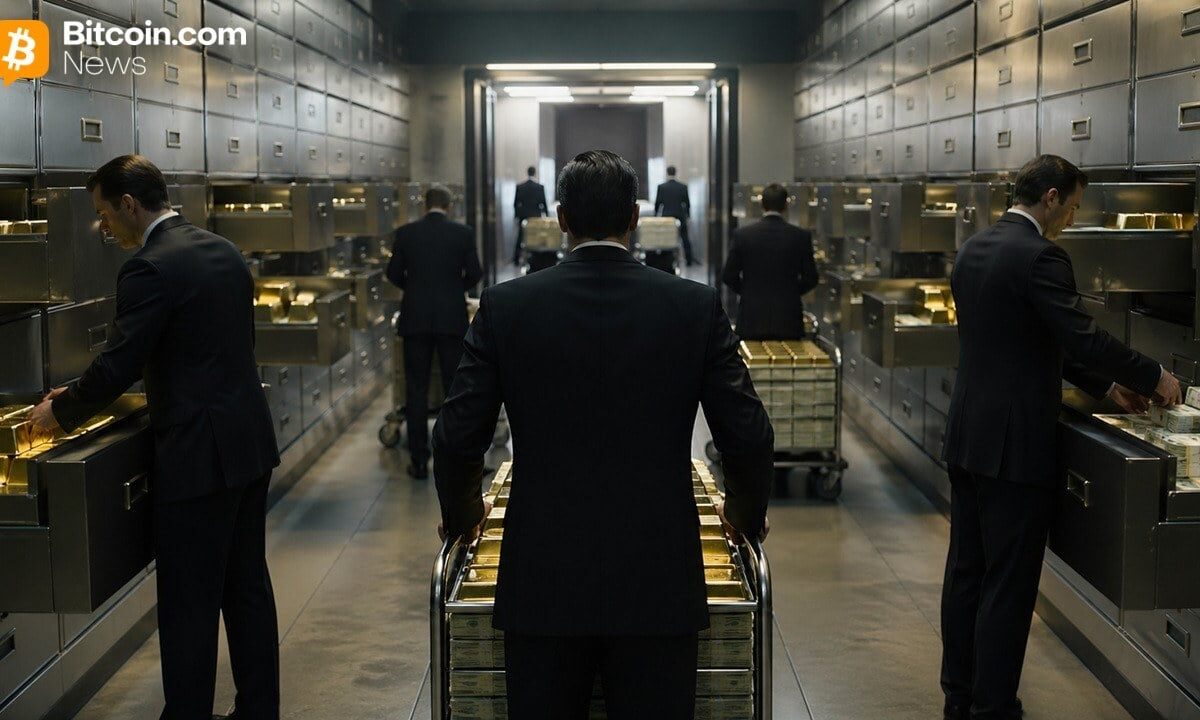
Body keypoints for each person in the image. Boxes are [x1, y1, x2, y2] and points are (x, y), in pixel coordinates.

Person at [432, 150, 774, 720]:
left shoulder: (506, 306)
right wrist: (742, 511)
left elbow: (456, 435)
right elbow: (748, 434)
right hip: (658, 576)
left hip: (542, 576)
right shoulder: (693, 306)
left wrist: (465, 513)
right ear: (635, 218)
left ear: (561, 218)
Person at [28, 155, 281, 720]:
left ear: (129, 205)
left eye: (104, 214)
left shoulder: (148, 268)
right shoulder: (223, 249)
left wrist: (60, 411)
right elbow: (205, 346)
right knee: (246, 588)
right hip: (248, 442)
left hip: (199, 455)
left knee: (189, 601)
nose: (103, 227)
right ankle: (259, 710)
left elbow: (119, 365)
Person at [940, 154, 1181, 720]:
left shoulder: (974, 248)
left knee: (966, 574)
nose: (1071, 219)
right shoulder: (1041, 256)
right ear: (1050, 197)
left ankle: (960, 697)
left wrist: (1107, 386)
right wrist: (1153, 375)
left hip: (968, 435)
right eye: (1072, 207)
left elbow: (1026, 338)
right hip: (1014, 447)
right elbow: (1081, 337)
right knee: (1009, 582)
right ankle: (994, 707)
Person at [386, 186, 483, 479]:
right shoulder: (462, 234)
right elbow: (475, 273)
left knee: (416, 389)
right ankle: (454, 457)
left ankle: (418, 460)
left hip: (415, 321)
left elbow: (393, 273)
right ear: (449, 206)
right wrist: (452, 290)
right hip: (451, 320)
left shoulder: (406, 233)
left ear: (424, 205)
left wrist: (415, 290)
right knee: (454, 389)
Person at [720, 183, 819, 340]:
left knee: (750, 355)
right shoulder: (800, 236)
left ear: (762, 204)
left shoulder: (743, 235)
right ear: (786, 206)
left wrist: (748, 291)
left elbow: (728, 275)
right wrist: (791, 291)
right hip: (788, 319)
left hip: (752, 317)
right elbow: (811, 278)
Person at [654, 165, 696, 266]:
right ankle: (689, 260)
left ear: (667, 173)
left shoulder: (662, 187)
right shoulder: (683, 187)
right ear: (675, 173)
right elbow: (687, 204)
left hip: (666, 217)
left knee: (666, 238)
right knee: (684, 238)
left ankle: (666, 259)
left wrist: (655, 216)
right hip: (680, 215)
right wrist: (688, 216)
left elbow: (658, 203)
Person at [512, 165, 548, 265]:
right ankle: (536, 258)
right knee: (536, 237)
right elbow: (543, 203)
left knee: (520, 237)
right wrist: (546, 216)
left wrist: (517, 216)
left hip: (524, 216)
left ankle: (516, 259)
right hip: (536, 216)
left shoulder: (520, 187)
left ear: (527, 173)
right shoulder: (540, 187)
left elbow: (516, 203)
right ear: (534, 173)